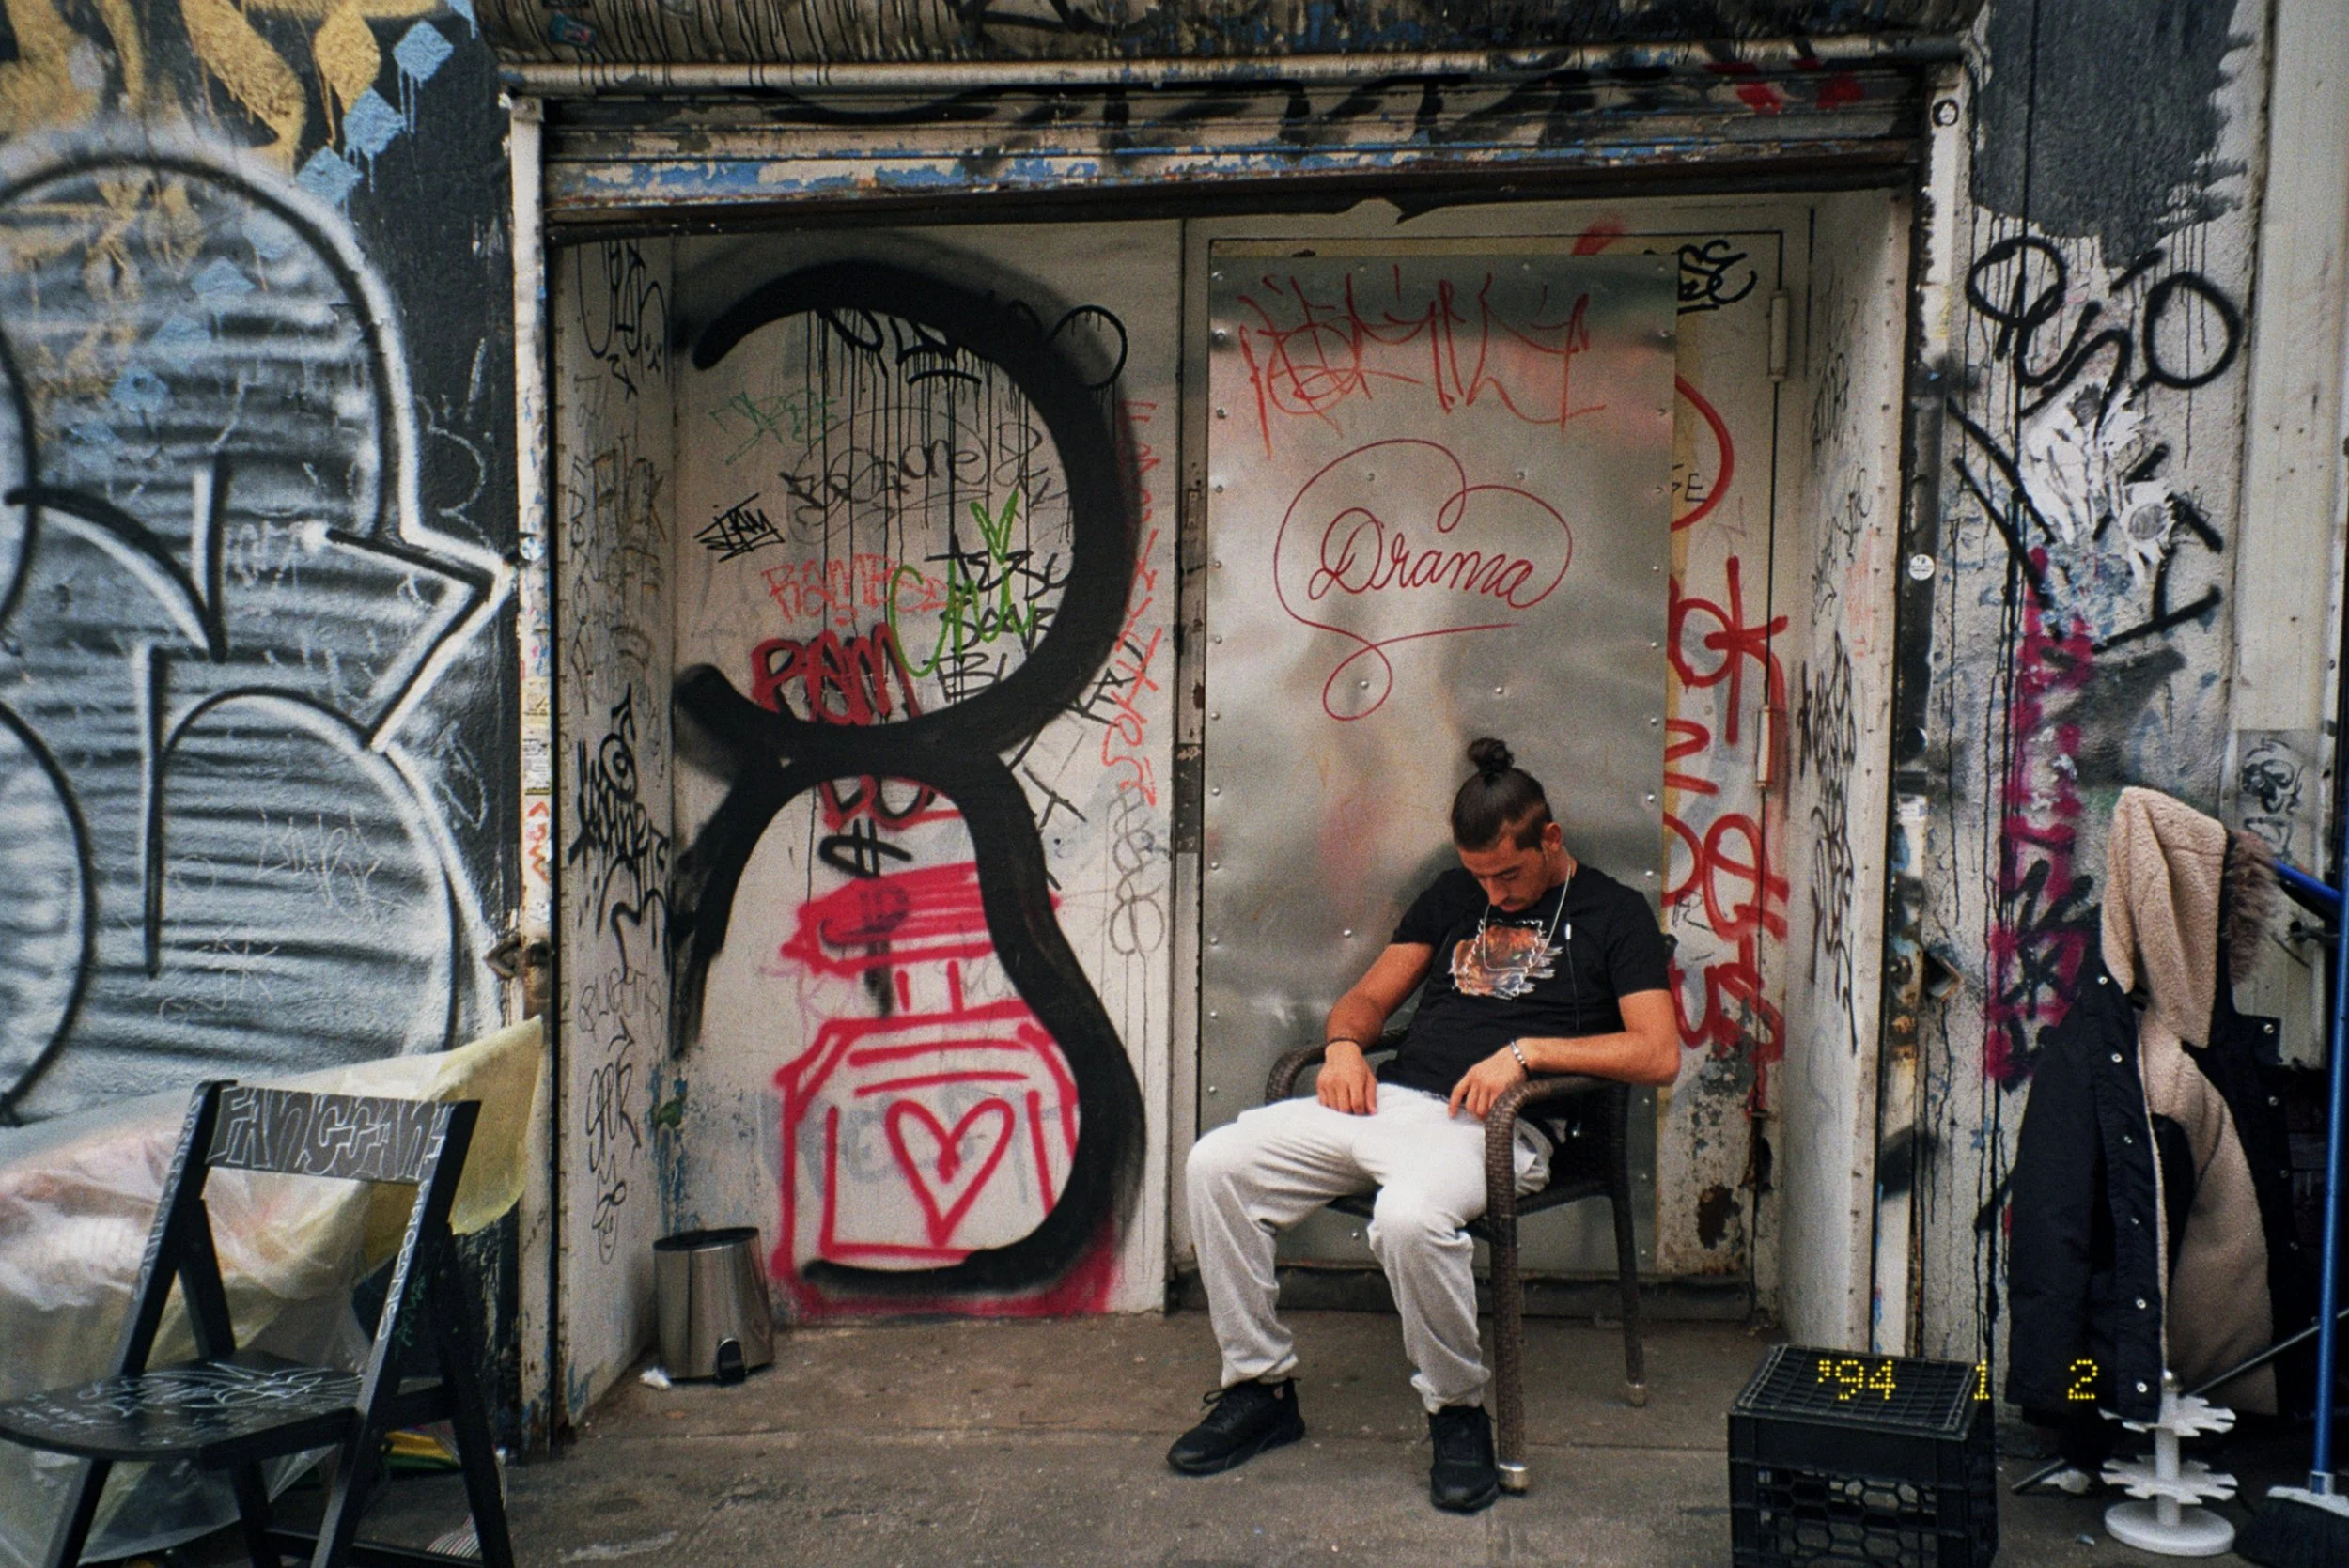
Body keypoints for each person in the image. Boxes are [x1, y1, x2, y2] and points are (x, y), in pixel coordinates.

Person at [1170, 737, 1677, 1512]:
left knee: (1408, 1217)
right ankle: (1260, 1389)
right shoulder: (1452, 896)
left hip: (1503, 1127)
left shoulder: (1615, 914)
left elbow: (1657, 1050)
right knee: (1216, 1163)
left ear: (1551, 838)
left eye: (1508, 874)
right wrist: (1343, 1046)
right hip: (1392, 1102)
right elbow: (1368, 1000)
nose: (1496, 894)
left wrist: (1528, 1051)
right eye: (1480, 877)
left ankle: (1456, 1412)